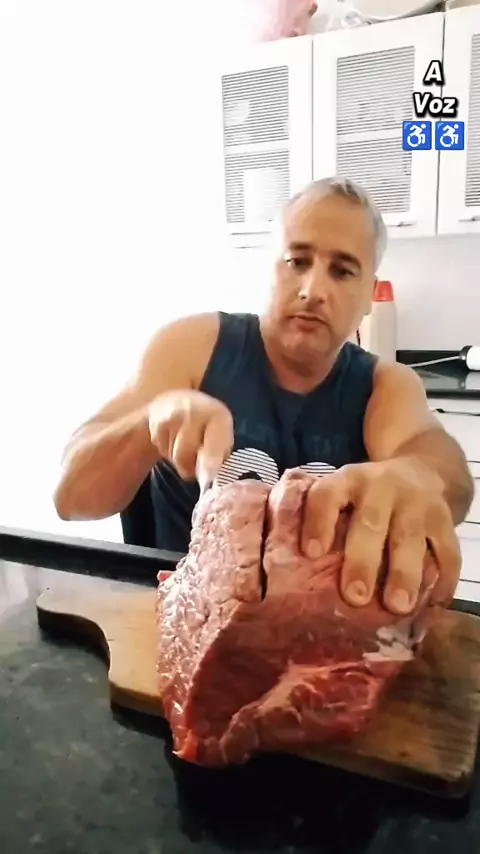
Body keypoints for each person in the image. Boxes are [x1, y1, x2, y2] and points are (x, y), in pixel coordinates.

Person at [54, 177, 473, 617]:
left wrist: (417, 476)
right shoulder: (193, 348)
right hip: (181, 617)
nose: (313, 290)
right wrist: (151, 421)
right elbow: (72, 497)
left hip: (314, 631)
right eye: (297, 261)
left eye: (342, 270)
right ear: (269, 269)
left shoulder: (383, 385)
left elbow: (442, 468)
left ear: (371, 294)